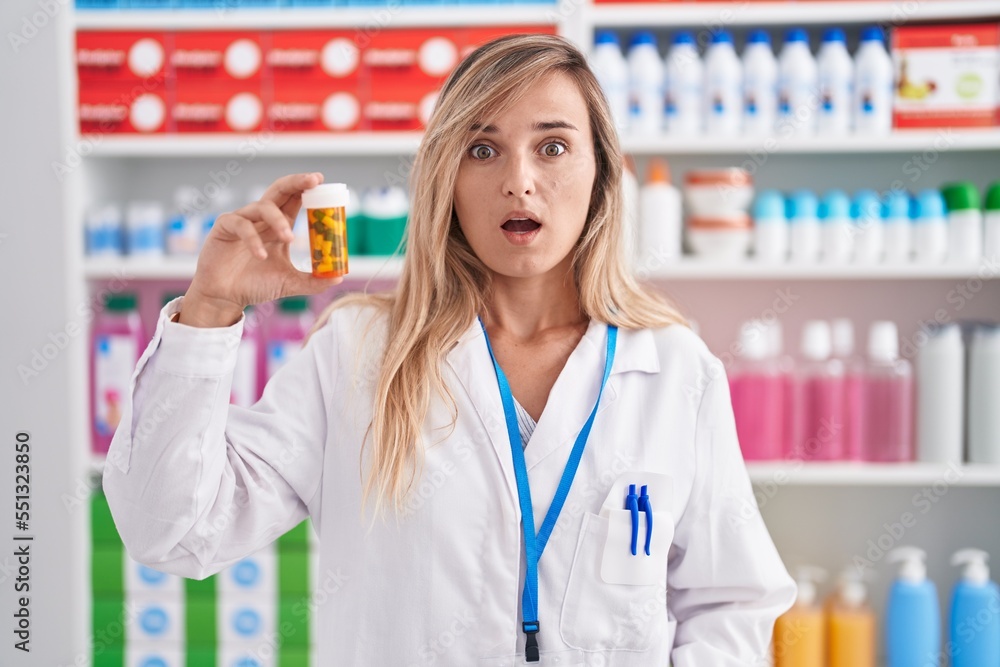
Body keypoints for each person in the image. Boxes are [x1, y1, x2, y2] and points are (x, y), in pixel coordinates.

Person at [103, 33, 795, 665]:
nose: (519, 181)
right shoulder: (358, 354)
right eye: (482, 148)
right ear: (446, 179)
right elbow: (173, 530)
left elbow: (729, 602)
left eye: (552, 147)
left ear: (602, 175)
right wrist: (211, 308)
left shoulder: (673, 368)